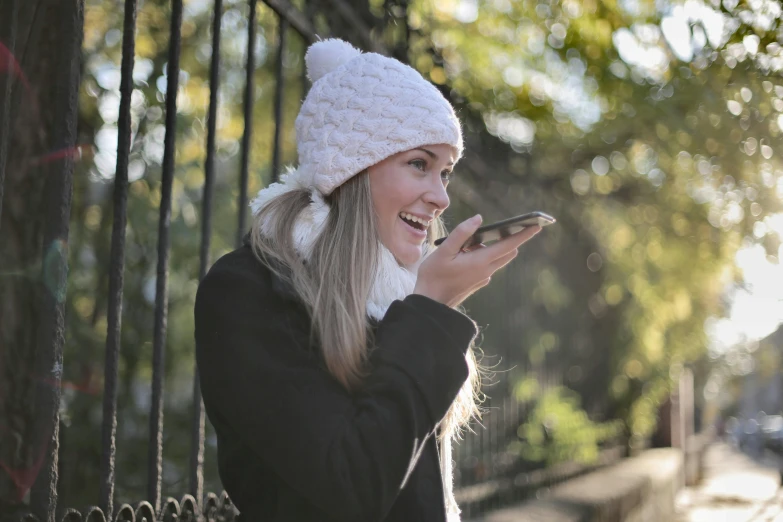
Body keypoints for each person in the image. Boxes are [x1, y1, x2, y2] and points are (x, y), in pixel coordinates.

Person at [194, 38, 542, 522]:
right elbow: (353, 485)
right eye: (419, 164)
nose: (441, 196)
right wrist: (431, 309)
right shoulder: (248, 291)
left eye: (445, 172)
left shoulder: (397, 293)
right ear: (351, 169)